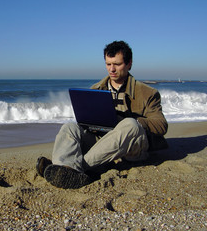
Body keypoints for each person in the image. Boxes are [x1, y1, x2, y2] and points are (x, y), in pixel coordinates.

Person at [36, 40, 168, 189]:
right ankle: (64, 166)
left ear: (129, 63)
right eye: (108, 64)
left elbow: (161, 125)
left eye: (117, 64)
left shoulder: (148, 93)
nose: (111, 69)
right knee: (69, 127)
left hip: (134, 147)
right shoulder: (96, 89)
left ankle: (73, 168)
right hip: (103, 142)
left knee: (130, 124)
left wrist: (128, 120)